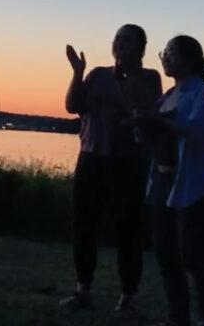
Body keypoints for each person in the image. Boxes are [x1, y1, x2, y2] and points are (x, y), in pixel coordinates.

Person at [60, 25, 161, 315]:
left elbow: (142, 114)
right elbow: (71, 106)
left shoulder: (149, 78)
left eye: (127, 40)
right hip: (91, 157)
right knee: (83, 225)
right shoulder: (98, 75)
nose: (119, 44)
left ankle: (128, 297)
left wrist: (125, 80)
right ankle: (83, 290)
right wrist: (78, 72)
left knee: (127, 230)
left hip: (129, 163)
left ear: (141, 48)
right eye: (117, 39)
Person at [139, 35, 204, 326]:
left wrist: (163, 123)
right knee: (165, 255)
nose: (166, 58)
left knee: (193, 258)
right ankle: (178, 318)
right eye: (165, 53)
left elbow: (200, 131)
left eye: (172, 53)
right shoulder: (165, 97)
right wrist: (143, 126)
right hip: (161, 181)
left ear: (191, 59)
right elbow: (154, 140)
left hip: (191, 182)